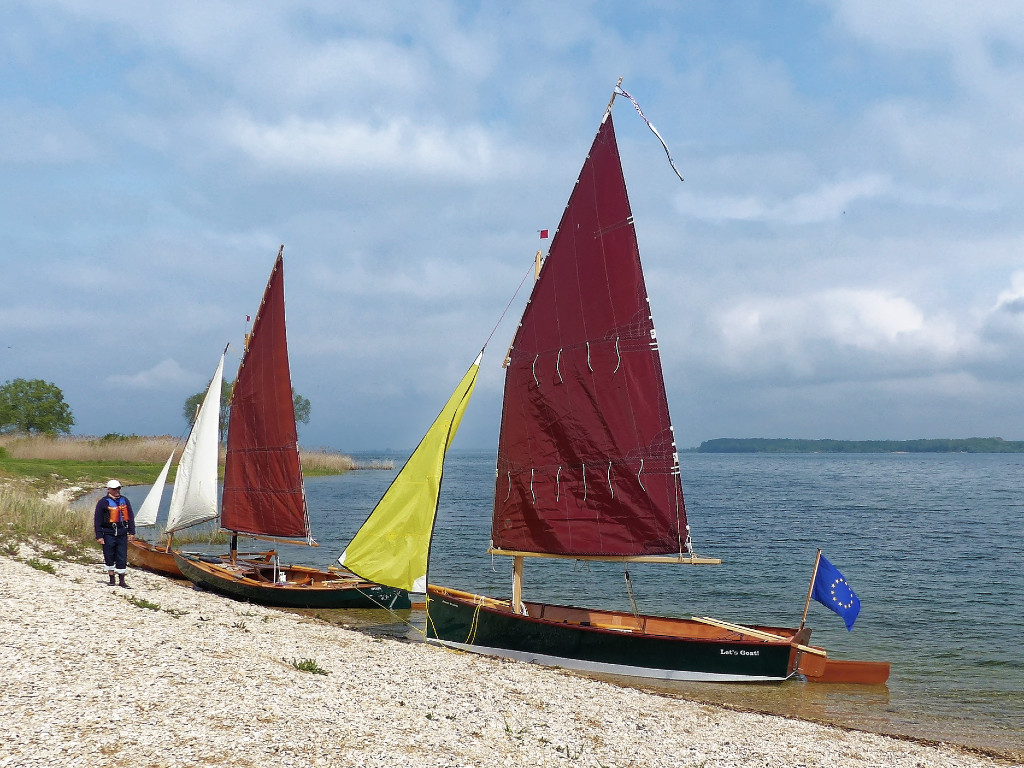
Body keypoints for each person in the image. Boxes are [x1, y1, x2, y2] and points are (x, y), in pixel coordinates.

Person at [94, 479, 136, 588]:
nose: (117, 490)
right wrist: (99, 536)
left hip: (122, 533)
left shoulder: (124, 500)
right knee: (109, 555)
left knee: (122, 556)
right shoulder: (103, 502)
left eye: (119, 488)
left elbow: (130, 517)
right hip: (108, 533)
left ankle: (122, 581)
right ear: (109, 489)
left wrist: (132, 531)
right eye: (115, 489)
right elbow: (97, 520)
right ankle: (111, 579)